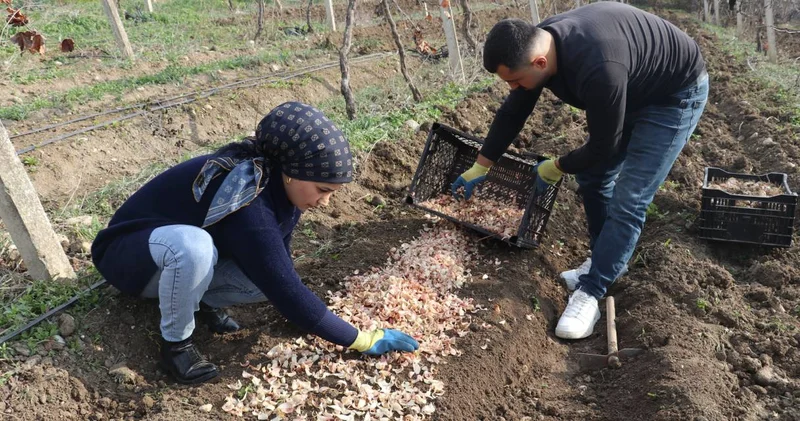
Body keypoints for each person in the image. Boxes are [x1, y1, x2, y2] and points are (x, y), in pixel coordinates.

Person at [92, 102, 419, 385]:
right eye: (322, 190)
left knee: (262, 278)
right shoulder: (249, 199)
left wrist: (304, 312)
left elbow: (279, 273)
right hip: (130, 257)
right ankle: (176, 346)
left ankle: (200, 302)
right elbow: (285, 290)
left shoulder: (281, 189)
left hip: (169, 259)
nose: (326, 201)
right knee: (195, 247)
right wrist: (360, 339)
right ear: (291, 172)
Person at [452, 3, 708, 340]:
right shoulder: (541, 42)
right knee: (593, 178)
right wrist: (480, 166)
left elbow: (604, 146)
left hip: (672, 96)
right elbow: (514, 111)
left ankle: (591, 291)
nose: (513, 88)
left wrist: (557, 166)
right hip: (630, 84)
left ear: (539, 63)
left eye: (514, 80)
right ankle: (606, 259)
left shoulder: (599, 67)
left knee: (630, 197)